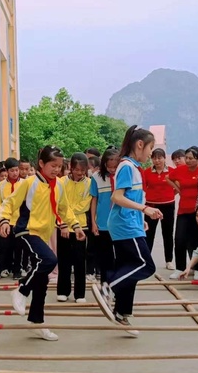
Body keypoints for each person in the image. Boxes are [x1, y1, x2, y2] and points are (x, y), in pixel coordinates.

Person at [0, 146, 86, 342]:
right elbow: (9, 202)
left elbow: (64, 208)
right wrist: (3, 220)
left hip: (43, 234)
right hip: (26, 231)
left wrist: (76, 226)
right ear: (41, 164)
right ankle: (21, 290)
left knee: (42, 280)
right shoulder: (29, 183)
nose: (56, 169)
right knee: (49, 260)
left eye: (59, 166)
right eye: (52, 165)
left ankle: (37, 322)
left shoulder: (59, 185)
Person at [94, 125, 162, 338]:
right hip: (124, 225)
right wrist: (145, 209)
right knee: (145, 265)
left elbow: (133, 197)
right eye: (151, 148)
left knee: (129, 267)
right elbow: (117, 197)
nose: (152, 154)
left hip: (131, 223)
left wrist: (141, 218)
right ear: (139, 145)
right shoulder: (126, 166)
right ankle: (108, 287)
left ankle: (122, 313)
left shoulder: (133, 167)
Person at [167, 146, 198, 280]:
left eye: (191, 158)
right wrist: (178, 189)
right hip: (183, 209)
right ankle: (180, 268)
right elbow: (169, 178)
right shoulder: (180, 170)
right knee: (179, 239)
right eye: (187, 158)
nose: (188, 160)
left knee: (197, 240)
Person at [57, 152, 91, 303]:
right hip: (64, 226)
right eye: (76, 169)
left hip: (81, 226)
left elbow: (86, 204)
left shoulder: (89, 183)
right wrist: (65, 217)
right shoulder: (62, 181)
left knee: (79, 261)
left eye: (82, 170)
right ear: (70, 167)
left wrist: (68, 209)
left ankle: (80, 294)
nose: (79, 173)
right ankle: (63, 291)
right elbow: (58, 203)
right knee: (63, 260)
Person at [89, 147, 119, 285]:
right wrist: (94, 222)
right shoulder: (96, 178)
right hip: (103, 223)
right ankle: (105, 283)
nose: (112, 170)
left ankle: (117, 283)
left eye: (115, 166)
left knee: (119, 256)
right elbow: (94, 199)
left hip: (120, 223)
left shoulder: (122, 176)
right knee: (105, 256)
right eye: (110, 166)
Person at [143, 148, 176, 270]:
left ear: (164, 158)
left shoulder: (172, 172)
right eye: (154, 158)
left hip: (168, 205)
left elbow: (177, 187)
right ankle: (147, 260)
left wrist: (171, 195)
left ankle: (169, 260)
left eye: (159, 158)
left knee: (167, 233)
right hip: (151, 205)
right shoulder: (146, 172)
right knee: (149, 233)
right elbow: (143, 187)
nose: (157, 161)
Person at [0, 157, 22, 282]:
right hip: (5, 221)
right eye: (12, 170)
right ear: (7, 171)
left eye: (17, 170)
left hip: (19, 221)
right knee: (2, 247)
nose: (15, 173)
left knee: (18, 248)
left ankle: (17, 270)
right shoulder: (1, 185)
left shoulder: (24, 183)